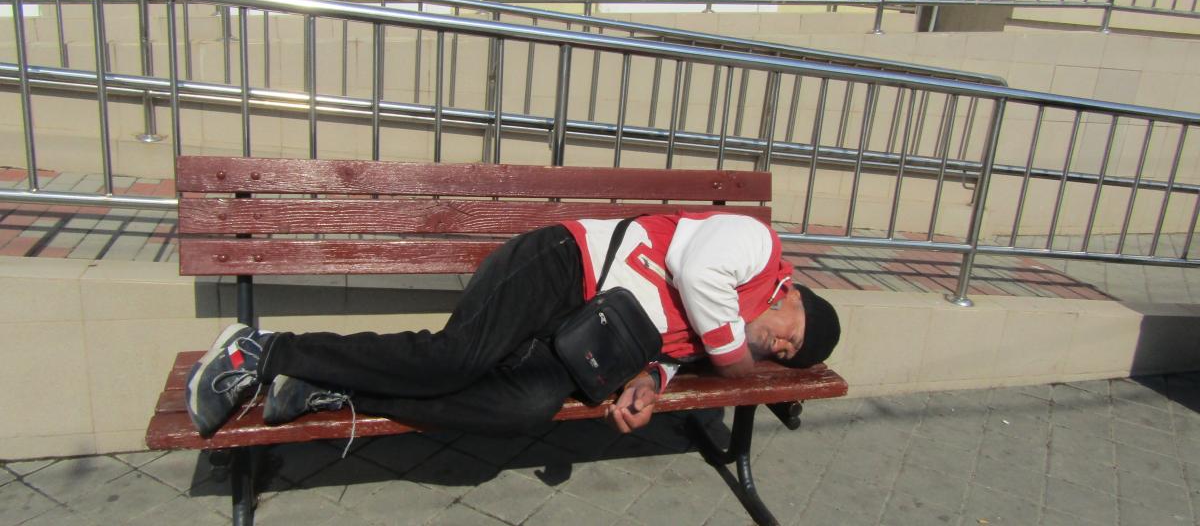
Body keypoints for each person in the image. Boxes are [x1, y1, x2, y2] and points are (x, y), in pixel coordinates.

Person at [185, 212, 841, 438]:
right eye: (795, 329)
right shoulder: (756, 247)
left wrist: (649, 381)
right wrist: (738, 366)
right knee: (455, 359)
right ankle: (261, 350)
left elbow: (671, 354)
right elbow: (696, 271)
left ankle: (330, 387)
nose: (783, 344)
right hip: (562, 265)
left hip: (583, 339)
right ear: (791, 292)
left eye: (789, 355)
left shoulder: (723, 334)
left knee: (522, 409)